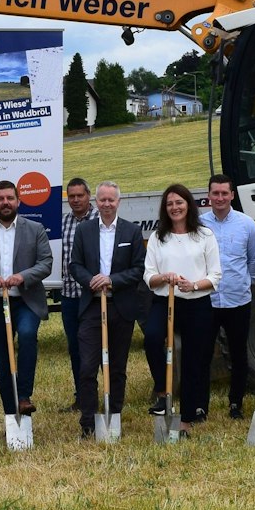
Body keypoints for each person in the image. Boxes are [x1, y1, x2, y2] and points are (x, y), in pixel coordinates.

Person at [66, 180, 148, 435]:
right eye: (102, 199)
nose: (107, 204)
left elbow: (138, 270)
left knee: (116, 368)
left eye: (111, 200)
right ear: (96, 202)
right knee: (88, 366)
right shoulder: (85, 230)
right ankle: (88, 422)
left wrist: (111, 280)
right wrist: (91, 280)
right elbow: (75, 265)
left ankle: (114, 417)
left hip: (120, 307)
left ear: (119, 202)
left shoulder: (131, 232)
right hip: (92, 307)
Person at [0, 180, 52, 420]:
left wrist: (22, 277)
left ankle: (24, 397)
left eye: (10, 198)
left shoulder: (35, 229)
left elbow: (46, 263)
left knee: (26, 335)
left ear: (18, 201)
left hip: (26, 301)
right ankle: (10, 414)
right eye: (1, 199)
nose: (6, 203)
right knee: (3, 362)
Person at [144, 183, 222, 426]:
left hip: (197, 303)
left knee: (193, 358)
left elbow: (216, 275)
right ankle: (162, 390)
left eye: (179, 202)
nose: (175, 207)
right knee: (152, 338)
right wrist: (164, 276)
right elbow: (148, 277)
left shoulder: (205, 235)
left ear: (188, 204)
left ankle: (190, 414)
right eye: (170, 204)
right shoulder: (158, 237)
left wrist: (195, 285)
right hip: (164, 301)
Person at [202, 174, 255, 419]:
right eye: (215, 193)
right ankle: (199, 405)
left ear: (232, 195)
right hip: (207, 299)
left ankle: (236, 403)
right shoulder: (199, 224)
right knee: (202, 354)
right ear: (209, 196)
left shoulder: (246, 223)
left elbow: (254, 260)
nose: (220, 198)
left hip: (238, 299)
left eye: (224, 193)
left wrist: (245, 282)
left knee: (239, 354)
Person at [58, 177, 94, 410]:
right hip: (69, 295)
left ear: (88, 196)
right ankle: (82, 397)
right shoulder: (63, 222)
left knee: (96, 348)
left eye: (80, 195)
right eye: (71, 196)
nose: (76, 200)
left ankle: (100, 393)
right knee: (75, 348)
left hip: (93, 296)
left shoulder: (100, 220)